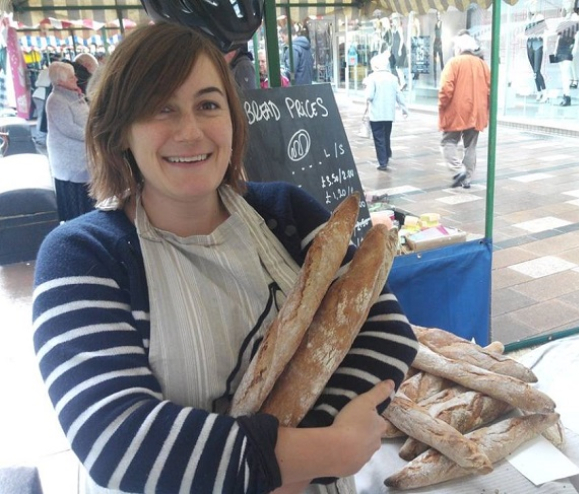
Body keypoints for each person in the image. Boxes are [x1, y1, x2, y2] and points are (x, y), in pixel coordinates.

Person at [32, 22, 418, 494]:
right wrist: (322, 452)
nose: (190, 131)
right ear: (119, 132)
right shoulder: (83, 255)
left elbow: (383, 327)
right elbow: (119, 440)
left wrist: (300, 459)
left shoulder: (286, 212)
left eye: (208, 105)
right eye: (161, 109)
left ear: (233, 119)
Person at [438, 32, 490, 189]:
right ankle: (466, 179)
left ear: (459, 48)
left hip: (456, 111)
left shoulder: (454, 63)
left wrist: (442, 106)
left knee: (448, 141)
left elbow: (446, 88)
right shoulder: (483, 65)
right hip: (477, 113)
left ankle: (457, 170)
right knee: (470, 146)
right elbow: (490, 90)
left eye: (455, 46)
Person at [45, 61, 94, 220]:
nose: (75, 79)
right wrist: (93, 136)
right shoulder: (56, 100)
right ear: (60, 81)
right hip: (70, 161)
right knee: (77, 205)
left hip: (83, 157)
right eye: (71, 77)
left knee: (88, 199)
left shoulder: (75, 94)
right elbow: (68, 128)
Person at [364, 52, 408, 171]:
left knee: (378, 138)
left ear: (376, 66)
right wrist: (404, 109)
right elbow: (399, 95)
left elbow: (369, 96)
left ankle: (383, 162)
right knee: (386, 135)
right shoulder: (393, 78)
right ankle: (387, 153)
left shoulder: (372, 78)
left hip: (376, 114)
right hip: (389, 114)